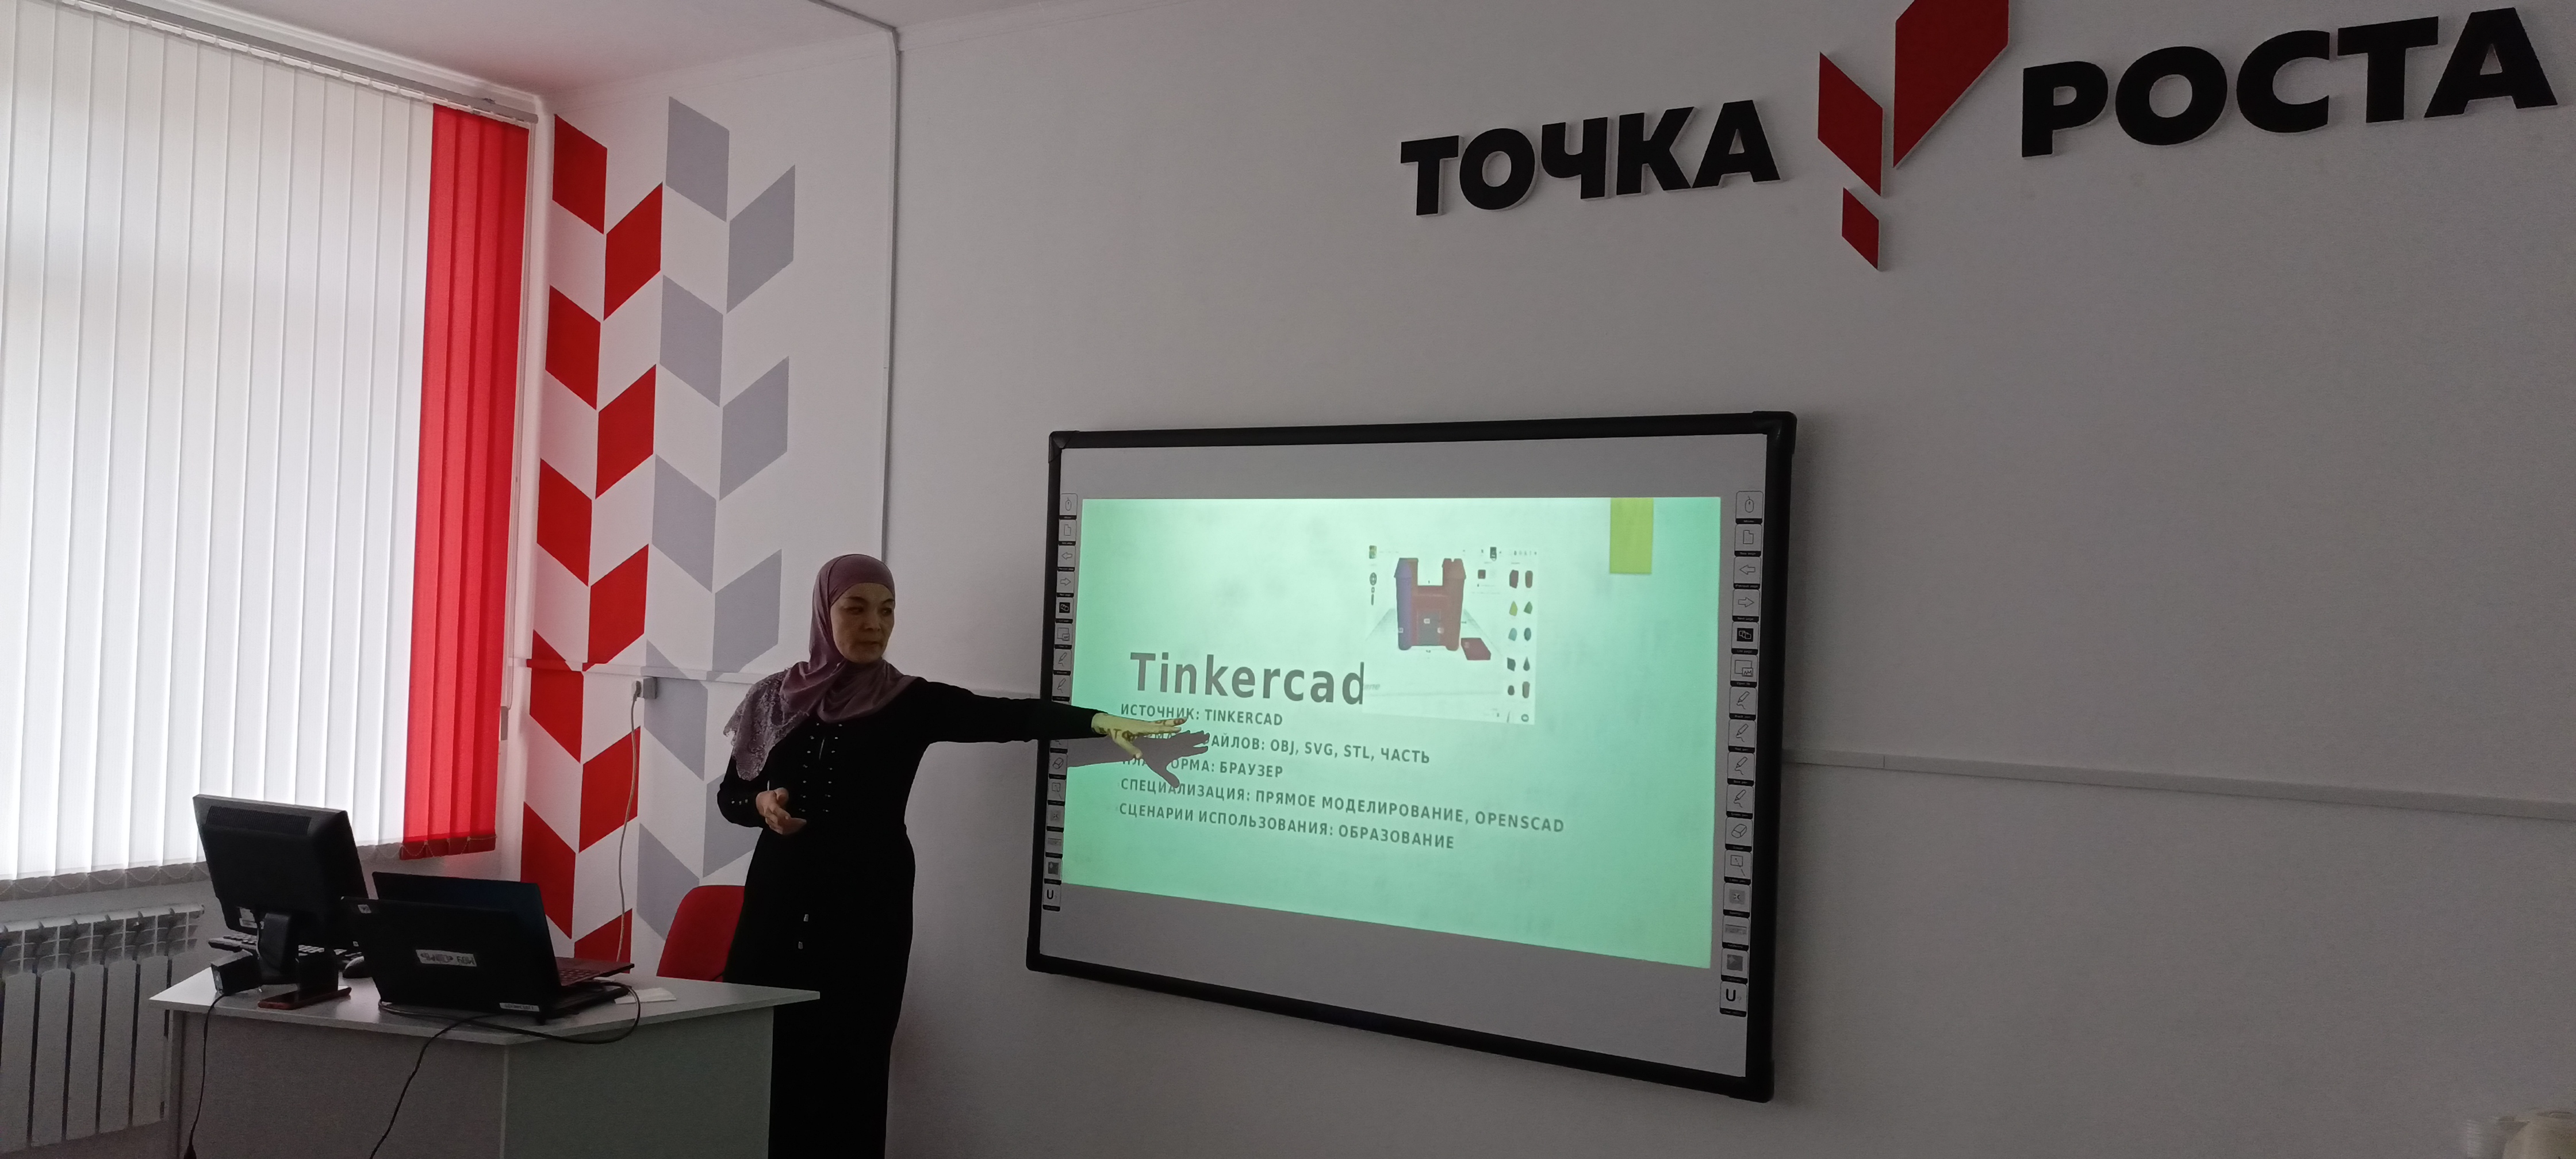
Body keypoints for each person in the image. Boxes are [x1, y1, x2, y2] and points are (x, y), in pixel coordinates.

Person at [716, 554, 1182, 1158]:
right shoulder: (773, 699)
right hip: (776, 908)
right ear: (823, 613)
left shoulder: (908, 701)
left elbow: (1009, 717)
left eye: (887, 611)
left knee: (853, 1064)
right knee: (762, 1058)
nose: (874, 624)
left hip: (867, 908)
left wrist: (1097, 720)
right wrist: (761, 805)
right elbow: (731, 796)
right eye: (855, 608)